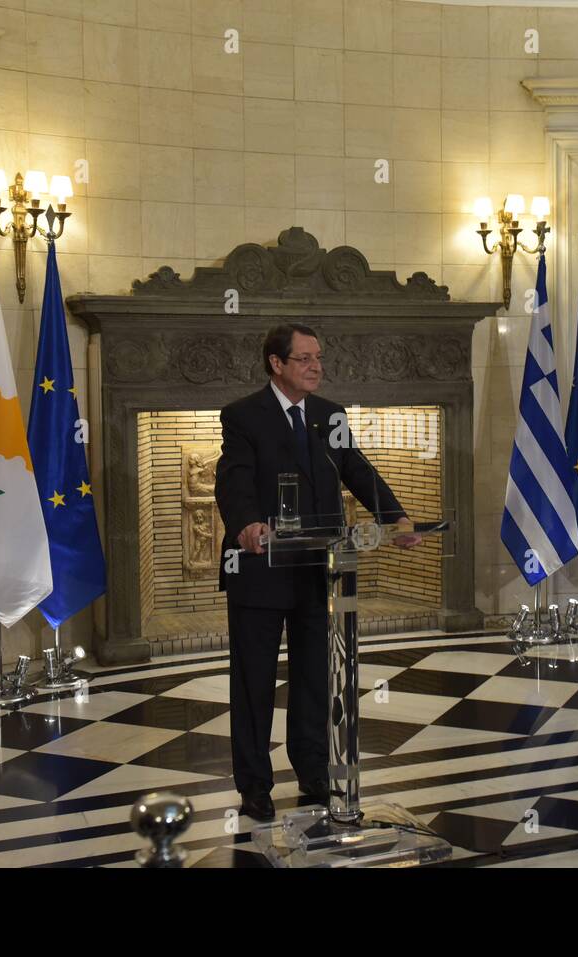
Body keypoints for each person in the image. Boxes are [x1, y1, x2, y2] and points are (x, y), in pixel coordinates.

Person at [214, 323, 419, 821]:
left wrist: (394, 516)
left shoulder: (331, 415)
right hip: (260, 570)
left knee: (312, 681)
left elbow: (357, 467)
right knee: (254, 685)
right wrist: (245, 525)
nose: (315, 367)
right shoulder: (244, 415)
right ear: (276, 364)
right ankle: (255, 787)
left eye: (318, 358)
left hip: (317, 571)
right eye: (304, 359)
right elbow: (233, 478)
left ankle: (311, 773)